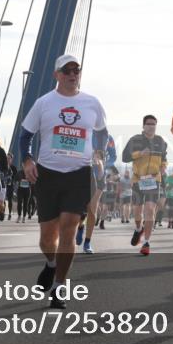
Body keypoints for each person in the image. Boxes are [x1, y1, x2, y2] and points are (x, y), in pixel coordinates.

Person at [19, 54, 108, 308]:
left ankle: (59, 287)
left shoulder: (92, 103)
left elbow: (102, 133)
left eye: (76, 70)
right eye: (66, 70)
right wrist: (27, 160)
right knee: (48, 238)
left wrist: (99, 154)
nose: (72, 74)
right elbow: (24, 136)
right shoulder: (44, 103)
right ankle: (50, 262)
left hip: (79, 174)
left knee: (69, 226)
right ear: (56, 75)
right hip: (48, 173)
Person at [123, 115, 168, 256]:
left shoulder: (160, 141)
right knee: (137, 211)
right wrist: (139, 153)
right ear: (143, 126)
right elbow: (124, 157)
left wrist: (163, 168)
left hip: (154, 181)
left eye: (154, 124)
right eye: (148, 124)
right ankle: (138, 229)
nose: (151, 126)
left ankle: (146, 243)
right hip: (138, 180)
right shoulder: (135, 140)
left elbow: (164, 159)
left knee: (149, 209)